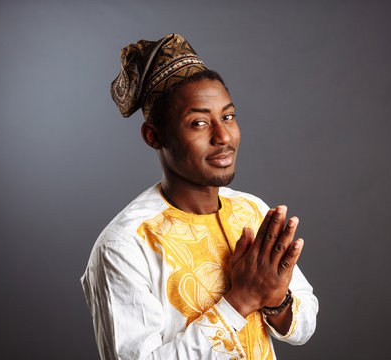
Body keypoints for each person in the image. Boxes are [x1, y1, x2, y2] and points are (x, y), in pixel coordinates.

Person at [81, 33, 318, 360]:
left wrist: (278, 301)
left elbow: (305, 323)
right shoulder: (125, 245)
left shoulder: (252, 211)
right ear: (154, 136)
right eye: (199, 123)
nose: (222, 136)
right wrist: (241, 301)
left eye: (228, 116)